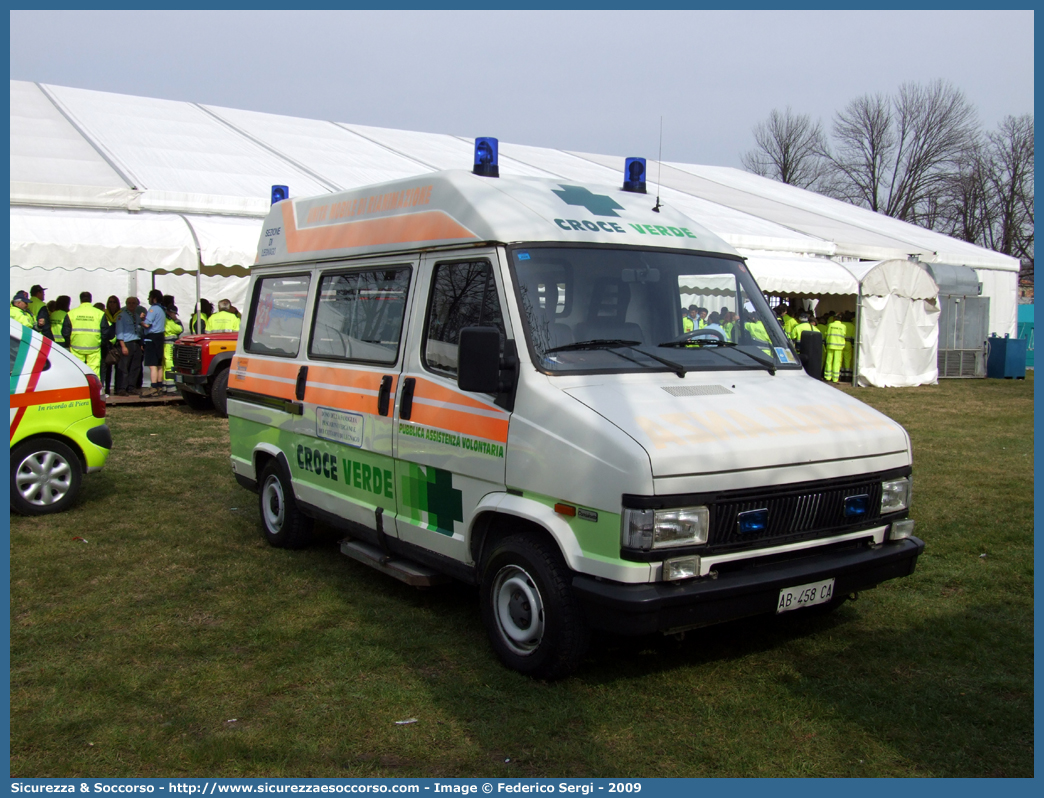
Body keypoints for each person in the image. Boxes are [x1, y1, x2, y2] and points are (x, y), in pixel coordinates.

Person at [68, 291, 110, 377]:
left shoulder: (71, 313)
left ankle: (79, 389)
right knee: (94, 371)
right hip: (94, 347)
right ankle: (94, 389)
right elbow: (105, 331)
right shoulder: (99, 313)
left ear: (80, 300)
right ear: (91, 299)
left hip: (76, 347)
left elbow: (65, 331)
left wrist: (70, 342)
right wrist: (101, 343)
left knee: (77, 370)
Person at [114, 297, 144, 396]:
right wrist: (123, 346)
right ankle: (121, 388)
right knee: (123, 367)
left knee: (135, 367)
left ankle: (131, 387)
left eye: (133, 303)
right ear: (126, 304)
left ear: (136, 305)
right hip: (126, 343)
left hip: (136, 343)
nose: (131, 305)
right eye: (129, 303)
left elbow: (140, 330)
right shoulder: (121, 316)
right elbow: (119, 332)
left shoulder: (136, 316)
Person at [141, 289, 167, 396]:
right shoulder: (162, 309)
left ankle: (153, 386)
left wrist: (141, 321)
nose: (148, 299)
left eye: (149, 296)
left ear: (154, 298)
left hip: (152, 337)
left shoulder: (153, 309)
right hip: (160, 337)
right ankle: (160, 386)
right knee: (159, 364)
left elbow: (147, 325)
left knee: (152, 364)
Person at [162, 295, 184, 394]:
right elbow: (179, 329)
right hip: (169, 345)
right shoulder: (168, 320)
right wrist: (176, 319)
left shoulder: (165, 319)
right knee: (169, 365)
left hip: (167, 344)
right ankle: (171, 388)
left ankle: (166, 386)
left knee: (166, 365)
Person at [101, 295, 122, 394]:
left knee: (119, 367)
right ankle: (107, 389)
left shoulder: (121, 314)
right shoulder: (104, 314)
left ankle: (118, 388)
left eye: (114, 302)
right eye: (110, 302)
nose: (112, 304)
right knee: (107, 366)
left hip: (118, 342)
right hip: (107, 343)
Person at [824, 312, 847, 383]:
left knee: (828, 361)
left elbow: (826, 334)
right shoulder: (843, 326)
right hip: (839, 346)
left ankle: (827, 377)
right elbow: (844, 335)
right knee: (837, 362)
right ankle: (835, 378)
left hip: (830, 345)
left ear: (834, 319)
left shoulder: (830, 325)